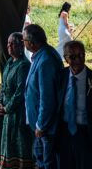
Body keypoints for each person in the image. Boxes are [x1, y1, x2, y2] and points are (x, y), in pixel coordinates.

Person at [56, 41, 92, 169]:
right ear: (65, 58)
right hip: (65, 132)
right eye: (73, 57)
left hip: (87, 133)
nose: (78, 60)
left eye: (81, 55)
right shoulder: (60, 77)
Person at [23, 24, 63, 169]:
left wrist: (41, 124)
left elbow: (48, 98)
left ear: (31, 43)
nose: (23, 43)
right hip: (41, 125)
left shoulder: (46, 60)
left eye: (24, 40)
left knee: (47, 162)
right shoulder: (41, 55)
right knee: (41, 160)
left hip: (46, 127)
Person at [0, 32, 34, 169]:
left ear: (20, 46)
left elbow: (20, 92)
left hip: (19, 113)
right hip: (8, 114)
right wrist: (1, 103)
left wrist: (7, 108)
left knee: (20, 145)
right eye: (8, 43)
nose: (9, 46)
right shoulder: (9, 62)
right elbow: (4, 85)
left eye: (12, 44)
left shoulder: (24, 65)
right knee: (8, 144)